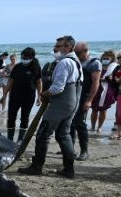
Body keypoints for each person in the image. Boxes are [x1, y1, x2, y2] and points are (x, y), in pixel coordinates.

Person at [18, 35, 81, 178]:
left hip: (60, 103)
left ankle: (37, 166)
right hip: (72, 102)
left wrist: (45, 93)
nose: (55, 48)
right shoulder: (76, 61)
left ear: (68, 47)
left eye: (58, 46)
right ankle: (69, 170)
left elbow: (58, 87)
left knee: (43, 134)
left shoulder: (65, 62)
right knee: (63, 135)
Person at [0, 47, 42, 141]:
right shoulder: (18, 67)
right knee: (11, 117)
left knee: (24, 118)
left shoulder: (35, 67)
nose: (23, 60)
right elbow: (10, 81)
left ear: (31, 58)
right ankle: (9, 138)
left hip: (29, 97)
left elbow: (39, 82)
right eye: (22, 57)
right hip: (15, 96)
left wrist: (39, 96)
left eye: (26, 58)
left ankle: (20, 139)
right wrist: (4, 95)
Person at [69, 42, 101, 160]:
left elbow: (95, 82)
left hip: (84, 97)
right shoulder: (75, 61)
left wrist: (89, 100)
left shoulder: (94, 63)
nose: (76, 55)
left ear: (85, 51)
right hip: (73, 96)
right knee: (69, 123)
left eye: (78, 53)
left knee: (79, 123)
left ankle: (84, 151)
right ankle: (70, 149)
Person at [90, 50, 118, 133]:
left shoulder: (114, 67)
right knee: (94, 109)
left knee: (103, 109)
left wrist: (109, 78)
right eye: (104, 58)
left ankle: (99, 127)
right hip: (96, 90)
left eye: (107, 58)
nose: (105, 59)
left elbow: (116, 79)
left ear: (112, 59)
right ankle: (92, 126)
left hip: (107, 90)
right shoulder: (98, 66)